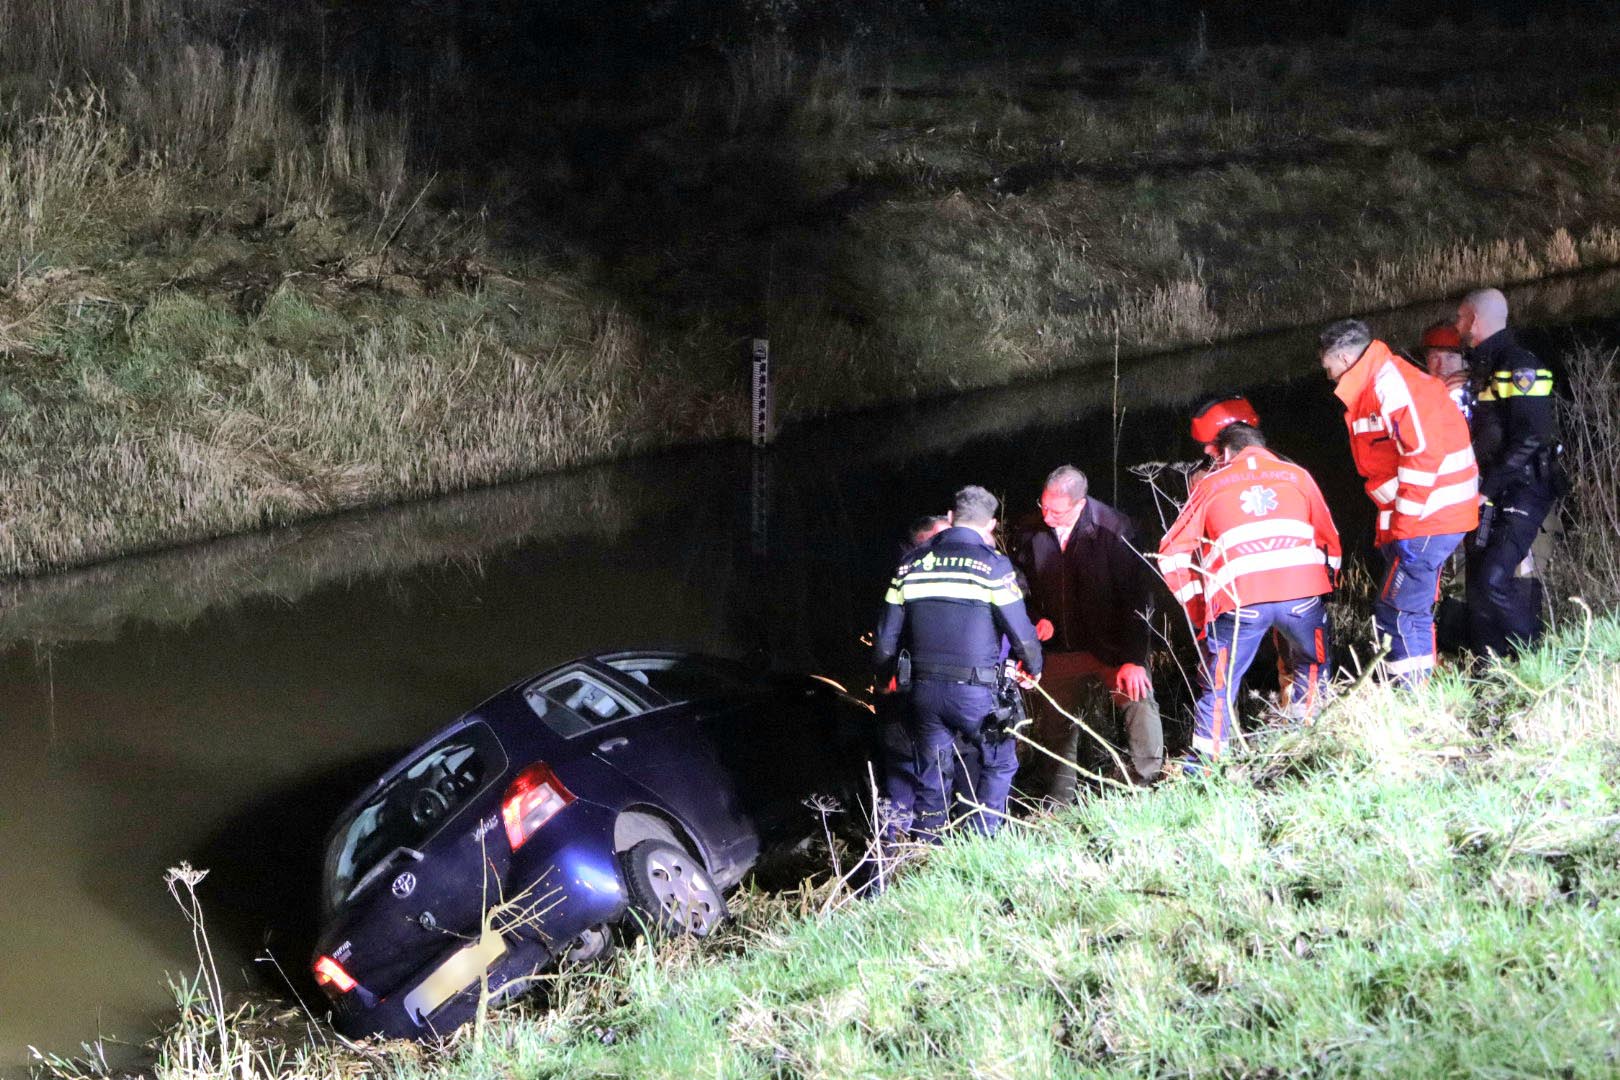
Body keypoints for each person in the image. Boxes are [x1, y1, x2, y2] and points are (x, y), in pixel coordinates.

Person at [1157, 423, 1341, 762]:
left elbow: (1170, 554)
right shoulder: (1297, 475)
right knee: (1312, 666)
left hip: (1239, 601)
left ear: (1226, 453)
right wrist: (1322, 588)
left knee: (1220, 686)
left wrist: (1201, 610)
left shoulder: (1211, 484)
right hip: (1301, 596)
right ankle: (1311, 748)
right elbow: (1329, 539)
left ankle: (1206, 771)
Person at [872, 486, 1042, 840]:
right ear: (991, 524)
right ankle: (981, 845)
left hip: (924, 694)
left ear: (950, 518)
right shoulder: (993, 566)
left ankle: (928, 848)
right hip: (977, 696)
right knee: (1001, 762)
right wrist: (1033, 666)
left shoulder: (910, 565)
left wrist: (886, 675)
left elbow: (886, 636)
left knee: (931, 778)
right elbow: (1022, 632)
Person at [1319, 318, 1479, 686]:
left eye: (1327, 366)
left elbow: (1422, 453)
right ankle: (1420, 690)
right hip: (1426, 516)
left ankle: (1412, 696)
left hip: (1429, 516)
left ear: (1342, 357)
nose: (1327, 375)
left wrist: (1405, 526)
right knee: (1409, 610)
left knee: (1398, 611)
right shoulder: (1377, 382)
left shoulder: (1389, 385)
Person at [1011, 466, 1163, 796]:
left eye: (1057, 511)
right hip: (1060, 647)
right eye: (1044, 506)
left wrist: (1134, 657)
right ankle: (1060, 799)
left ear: (1080, 504)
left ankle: (1147, 780)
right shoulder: (1028, 531)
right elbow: (1018, 587)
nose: (1048, 516)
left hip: (1111, 644)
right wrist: (1035, 617)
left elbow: (1138, 596)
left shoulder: (1115, 529)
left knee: (1138, 700)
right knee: (1056, 724)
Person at [1455, 287, 1562, 657]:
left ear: (1476, 320)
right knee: (1478, 587)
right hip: (1492, 489)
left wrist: (1488, 488)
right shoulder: (1484, 366)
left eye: (1460, 318)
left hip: (1524, 488)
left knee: (1494, 580)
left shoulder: (1520, 365)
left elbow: (1535, 435)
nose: (1458, 326)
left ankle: (1537, 658)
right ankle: (1492, 665)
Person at [1419, 321, 1474, 421]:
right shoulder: (1417, 396)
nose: (1442, 367)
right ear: (1426, 361)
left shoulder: (1479, 391)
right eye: (1435, 357)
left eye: (1450, 357)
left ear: (1465, 361)